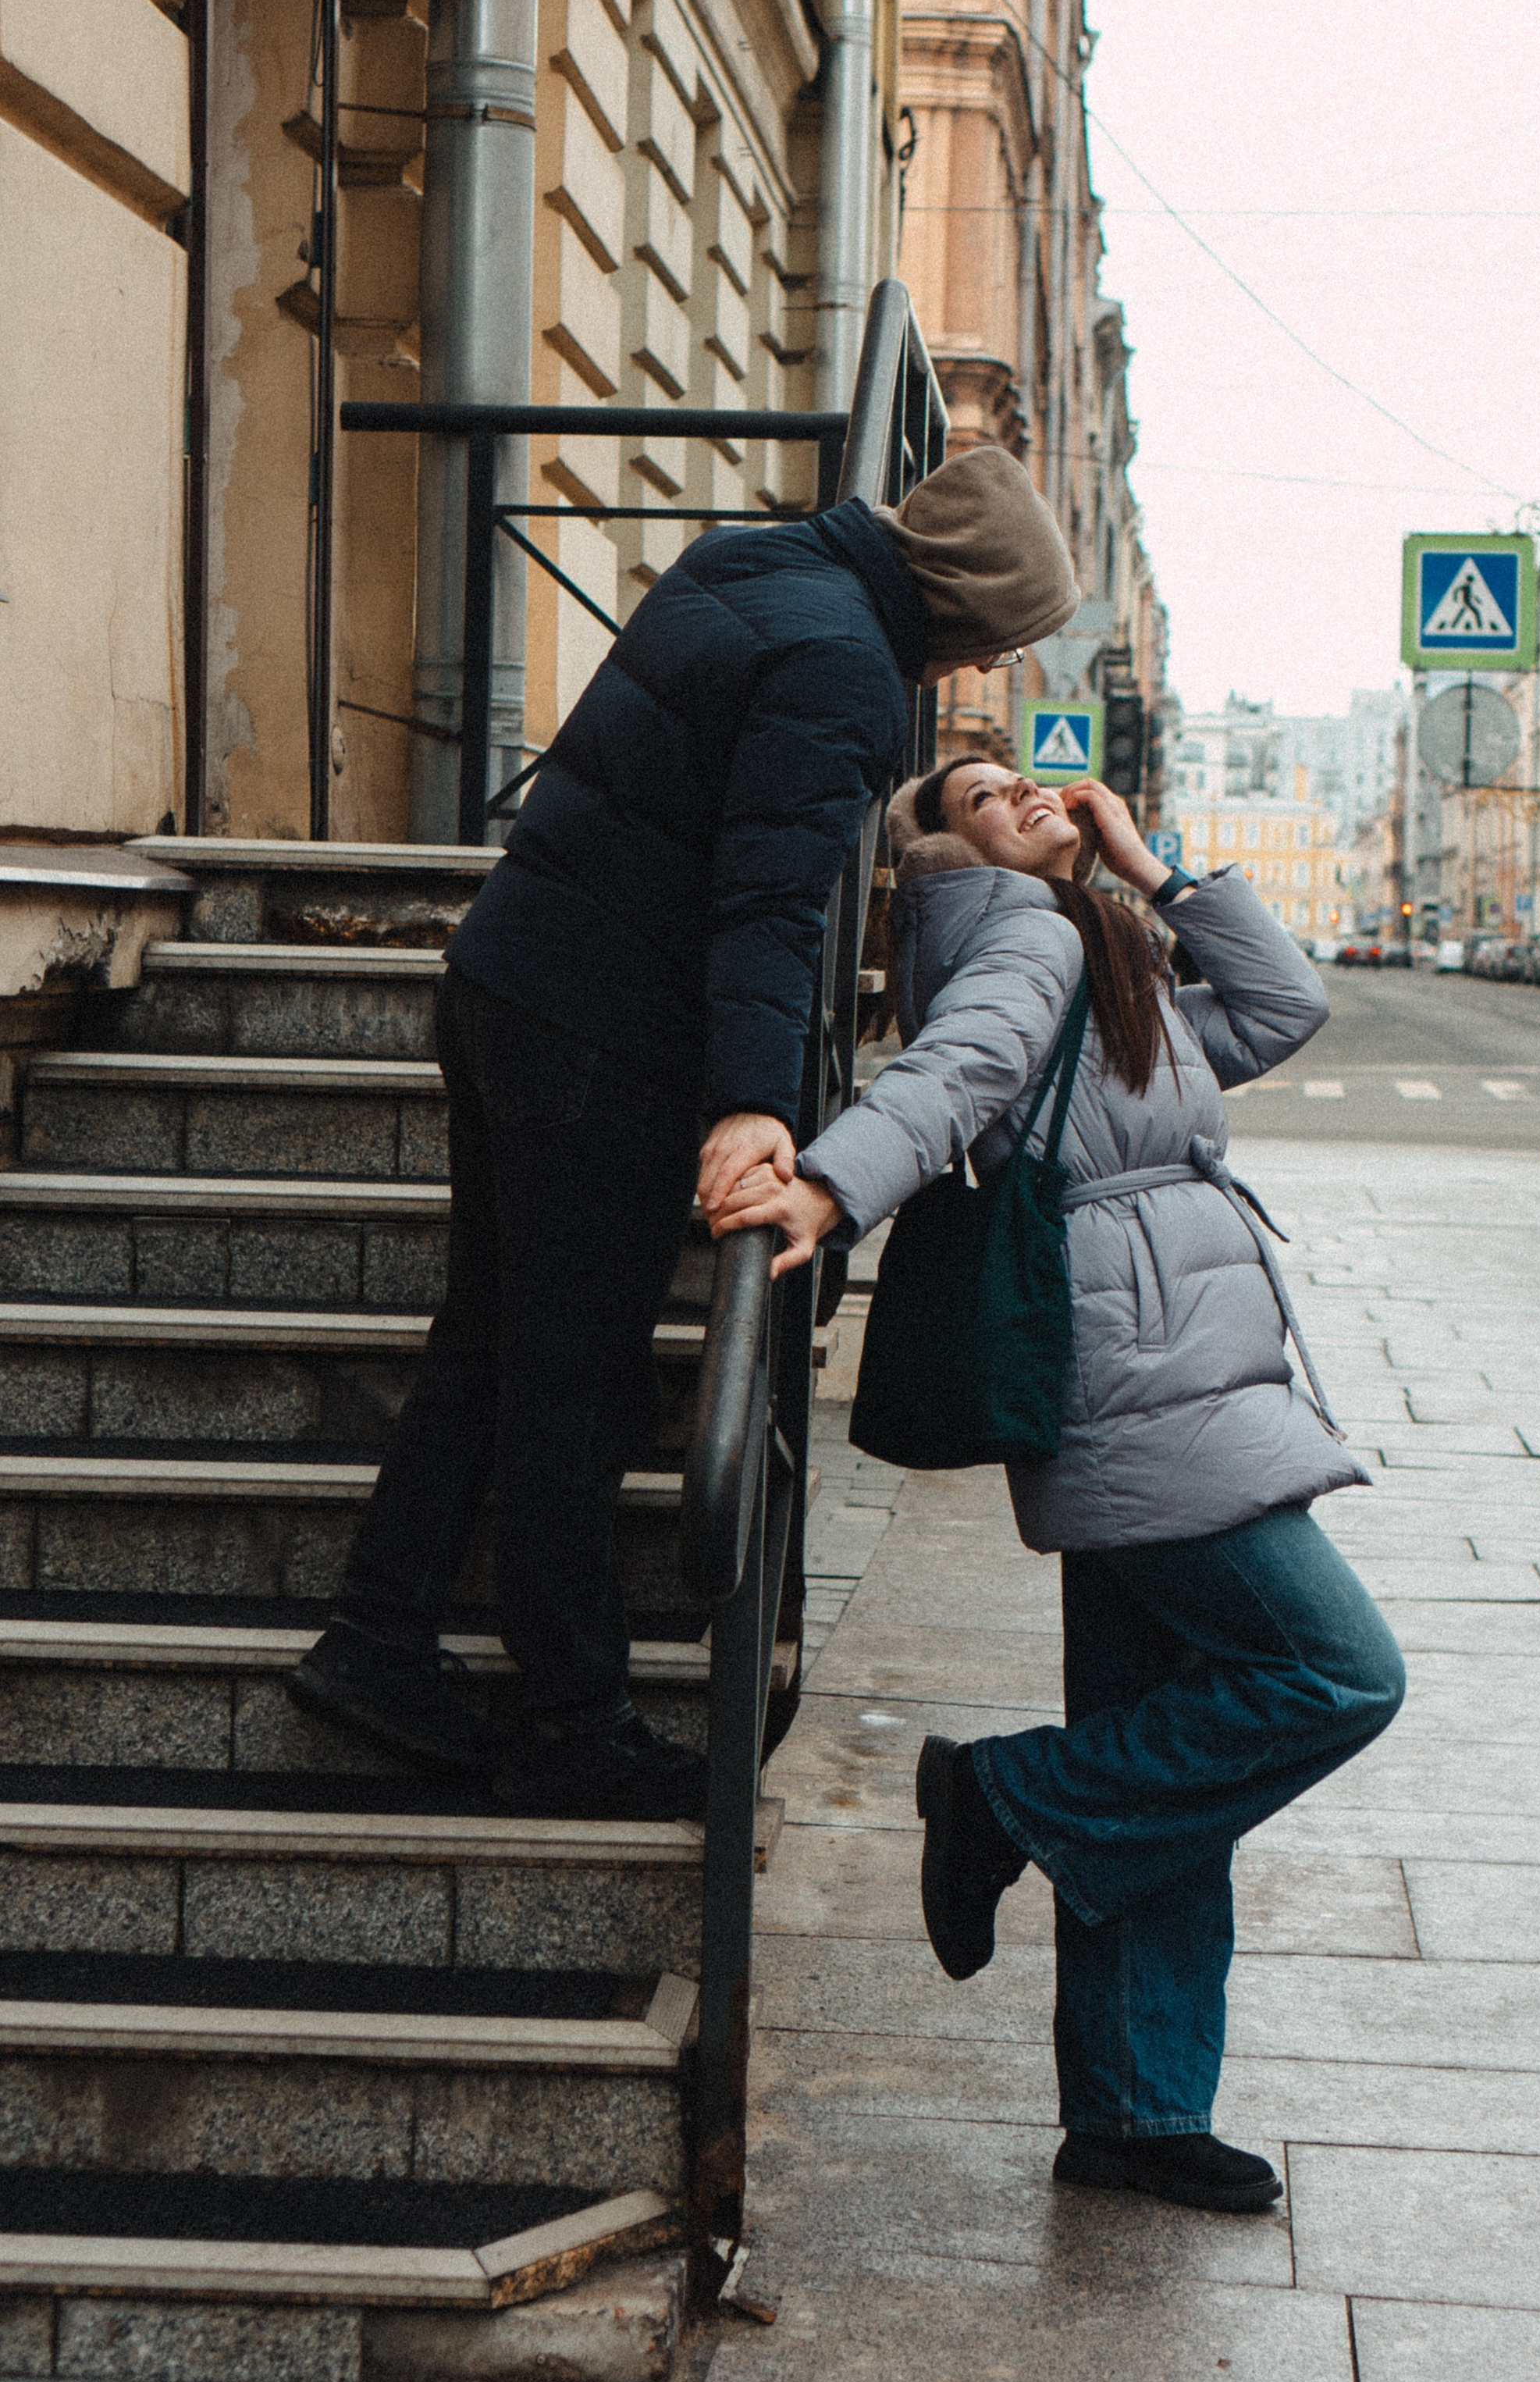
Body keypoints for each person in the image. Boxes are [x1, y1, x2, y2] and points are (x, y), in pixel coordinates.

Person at [290, 448, 1079, 1819]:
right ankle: (569, 1720)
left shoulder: (747, 561)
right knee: (572, 1383)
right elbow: (768, 905)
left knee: (488, 1341)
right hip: (600, 1035)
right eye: (1002, 634)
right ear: (969, 610)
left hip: (506, 982)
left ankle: (376, 1635)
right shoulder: (844, 667)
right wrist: (753, 1104)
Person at [713, 762, 1406, 2215]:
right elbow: (953, 1067)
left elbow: (1282, 1011)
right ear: (935, 851)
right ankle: (1003, 1797)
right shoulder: (1023, 939)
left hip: (1161, 1373)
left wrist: (1150, 869)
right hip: (1150, 1385)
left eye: (1024, 773)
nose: (1023, 788)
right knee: (1336, 1674)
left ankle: (1136, 2111)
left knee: (1162, 1756)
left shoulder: (1097, 952)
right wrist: (832, 1189)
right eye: (976, 790)